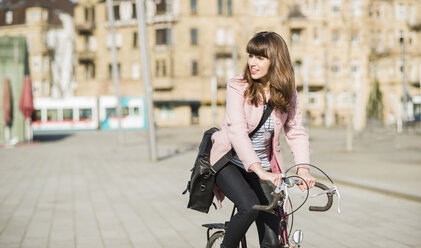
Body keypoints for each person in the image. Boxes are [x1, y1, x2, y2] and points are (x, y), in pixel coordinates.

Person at [209, 31, 316, 248]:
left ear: (275, 60)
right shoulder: (237, 86)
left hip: (265, 168)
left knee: (272, 235)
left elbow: (295, 131)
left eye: (260, 57)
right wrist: (258, 170)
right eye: (251, 56)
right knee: (249, 206)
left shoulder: (288, 91)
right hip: (229, 162)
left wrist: (303, 169)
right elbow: (237, 131)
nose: (252, 63)